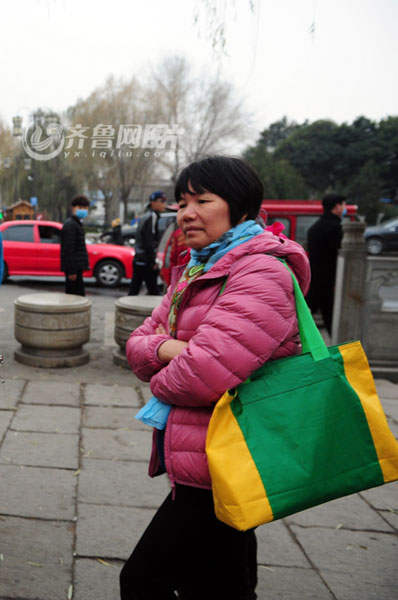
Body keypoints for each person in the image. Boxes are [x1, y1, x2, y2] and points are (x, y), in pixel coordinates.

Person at [120, 156, 310, 599]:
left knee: (143, 580)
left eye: (202, 200)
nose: (186, 213)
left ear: (241, 209)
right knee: (219, 584)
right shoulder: (199, 266)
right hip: (205, 456)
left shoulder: (262, 271)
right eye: (182, 201)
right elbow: (138, 343)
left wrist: (163, 370)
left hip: (224, 459)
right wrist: (168, 348)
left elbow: (201, 375)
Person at [306, 193, 346, 335]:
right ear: (336, 207)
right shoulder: (334, 228)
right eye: (343, 205)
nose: (344, 208)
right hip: (328, 279)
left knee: (306, 310)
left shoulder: (315, 227)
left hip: (315, 277)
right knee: (330, 318)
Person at [127, 190, 167, 296]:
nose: (164, 204)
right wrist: (153, 261)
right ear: (153, 202)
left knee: (134, 289)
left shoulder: (148, 215)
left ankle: (126, 310)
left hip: (139, 259)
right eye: (162, 201)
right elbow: (149, 241)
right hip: (145, 261)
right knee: (154, 291)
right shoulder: (152, 216)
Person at [60, 195, 91, 296]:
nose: (83, 210)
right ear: (73, 208)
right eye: (80, 208)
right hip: (74, 269)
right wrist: (72, 271)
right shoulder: (71, 225)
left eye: (85, 208)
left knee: (76, 296)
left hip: (77, 267)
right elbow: (69, 249)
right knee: (74, 297)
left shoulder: (77, 223)